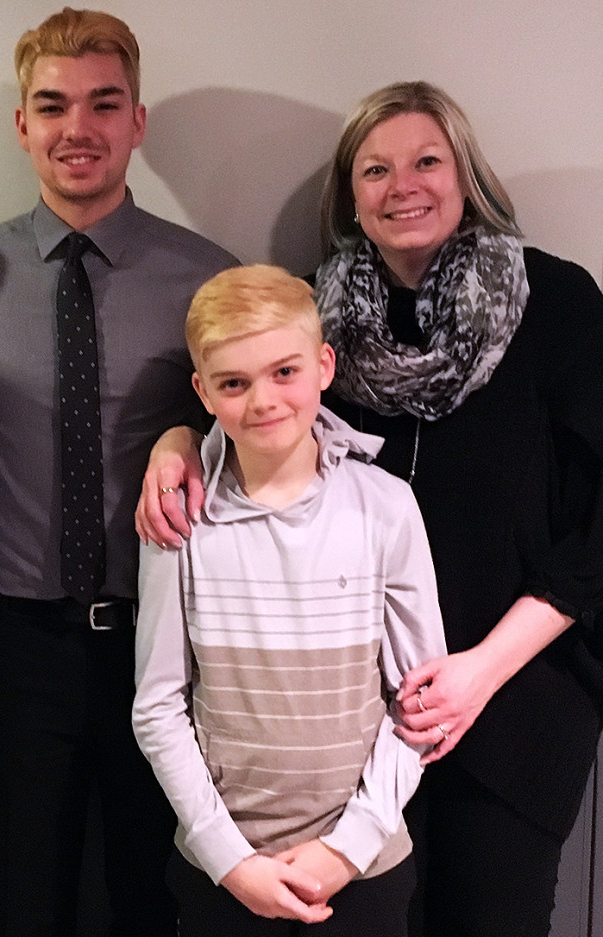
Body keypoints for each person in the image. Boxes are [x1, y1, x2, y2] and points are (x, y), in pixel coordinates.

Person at [136, 81, 603, 937]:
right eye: (376, 169)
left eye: (427, 161)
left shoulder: (556, 302)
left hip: (509, 701)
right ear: (349, 195)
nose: (403, 186)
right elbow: (235, 391)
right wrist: (174, 441)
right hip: (351, 739)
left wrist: (481, 669)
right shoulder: (319, 311)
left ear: (466, 174)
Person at [0, 8, 237, 935]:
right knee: (18, 897)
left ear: (138, 121)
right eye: (53, 106)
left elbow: (260, 427)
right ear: (23, 126)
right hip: (13, 646)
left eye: (103, 103)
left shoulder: (208, 278)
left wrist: (185, 430)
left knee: (155, 897)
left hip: (166, 641)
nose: (77, 128)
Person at [133, 264, 447, 936]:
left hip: (365, 868)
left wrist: (348, 847)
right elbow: (157, 706)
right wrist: (230, 860)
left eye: (284, 372)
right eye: (234, 383)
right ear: (203, 392)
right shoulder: (178, 518)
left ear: (324, 366)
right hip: (223, 870)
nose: (263, 400)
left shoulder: (386, 507)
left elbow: (419, 703)